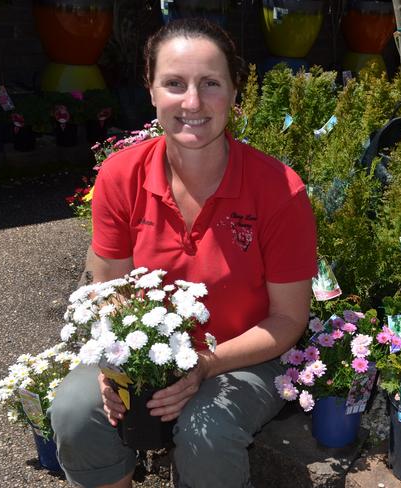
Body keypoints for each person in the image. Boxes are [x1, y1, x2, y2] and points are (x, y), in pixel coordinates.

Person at [50, 17, 317, 488]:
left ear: (235, 92)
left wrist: (204, 364)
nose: (192, 102)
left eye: (210, 83)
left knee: (207, 430)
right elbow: (110, 291)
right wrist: (116, 367)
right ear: (151, 91)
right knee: (76, 409)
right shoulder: (120, 176)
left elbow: (287, 320)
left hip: (246, 355)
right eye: (174, 83)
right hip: (149, 351)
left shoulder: (280, 190)